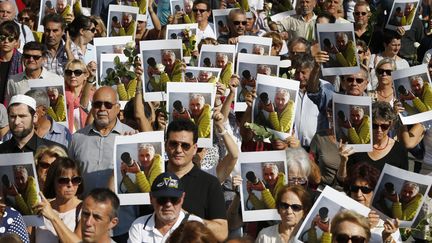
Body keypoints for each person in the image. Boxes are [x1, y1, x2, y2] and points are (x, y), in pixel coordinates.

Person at [68, 86, 137, 241]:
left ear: (118, 108)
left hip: (123, 225)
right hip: (87, 227)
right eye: (97, 104)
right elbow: (70, 178)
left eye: (108, 105)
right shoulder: (77, 138)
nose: (102, 109)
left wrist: (133, 145)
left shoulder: (132, 137)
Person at [165, 119, 228, 241]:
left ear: (194, 148)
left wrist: (185, 217)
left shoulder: (210, 183)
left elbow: (222, 232)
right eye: (173, 144)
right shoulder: (152, 175)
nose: (178, 150)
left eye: (185, 146)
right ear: (165, 145)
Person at [338, 101, 408, 181]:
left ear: (391, 125)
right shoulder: (357, 147)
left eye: (384, 126)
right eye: (374, 126)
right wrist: (343, 162)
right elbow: (343, 181)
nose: (379, 130)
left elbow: (402, 182)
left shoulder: (399, 150)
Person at [128, 172, 203, 242]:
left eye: (174, 199)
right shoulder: (139, 226)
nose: (168, 204)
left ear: (182, 198)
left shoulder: (195, 224)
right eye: (162, 199)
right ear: (151, 198)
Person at [345, 162, 401, 242]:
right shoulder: (341, 211)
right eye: (354, 188)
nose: (359, 194)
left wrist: (387, 237)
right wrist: (364, 227)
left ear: (375, 191)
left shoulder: (386, 218)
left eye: (365, 190)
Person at [34, 158, 84, 243]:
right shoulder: (41, 208)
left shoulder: (85, 210)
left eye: (76, 180)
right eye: (63, 180)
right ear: (52, 181)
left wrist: (53, 217)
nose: (70, 185)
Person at [0, 95, 64, 154]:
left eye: (22, 116)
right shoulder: (1, 151)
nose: (16, 122)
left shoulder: (54, 152)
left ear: (34, 117)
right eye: (12, 116)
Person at [63, 59, 95, 133]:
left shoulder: (92, 96)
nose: (72, 75)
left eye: (77, 72)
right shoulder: (60, 95)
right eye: (69, 72)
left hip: (86, 139)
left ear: (85, 75)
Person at [0, 21, 22, 104]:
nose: (6, 41)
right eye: (2, 37)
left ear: (16, 41)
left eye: (10, 38)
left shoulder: (22, 61)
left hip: (13, 107)